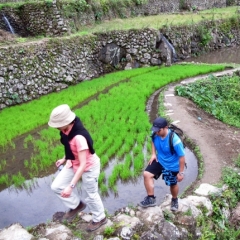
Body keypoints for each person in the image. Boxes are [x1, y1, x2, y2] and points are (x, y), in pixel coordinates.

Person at [48, 104, 107, 232]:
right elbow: (69, 147)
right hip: (72, 162)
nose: (56, 127)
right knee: (56, 186)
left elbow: (83, 164)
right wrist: (64, 158)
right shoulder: (65, 130)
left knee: (91, 194)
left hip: (88, 167)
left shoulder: (79, 137)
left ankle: (100, 218)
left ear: (66, 122)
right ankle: (77, 205)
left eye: (58, 124)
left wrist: (71, 186)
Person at [140, 117, 185, 211]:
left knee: (172, 185)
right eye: (155, 130)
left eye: (158, 130)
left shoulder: (175, 140)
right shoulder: (155, 133)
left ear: (165, 128)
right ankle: (151, 198)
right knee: (147, 174)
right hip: (160, 160)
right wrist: (153, 154)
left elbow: (182, 157)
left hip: (172, 165)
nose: (156, 132)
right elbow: (152, 140)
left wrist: (181, 173)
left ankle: (174, 199)